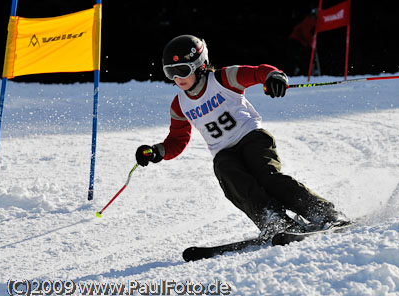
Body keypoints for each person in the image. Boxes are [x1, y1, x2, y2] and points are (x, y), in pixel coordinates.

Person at [135, 35, 348, 240]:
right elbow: (177, 140)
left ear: (200, 65)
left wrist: (273, 77)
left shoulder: (223, 79)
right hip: (224, 151)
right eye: (170, 73)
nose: (177, 78)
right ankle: (273, 220)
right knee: (229, 176)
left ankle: (323, 212)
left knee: (267, 177)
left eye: (182, 70)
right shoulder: (179, 104)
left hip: (251, 137)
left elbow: (258, 72)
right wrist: (156, 151)